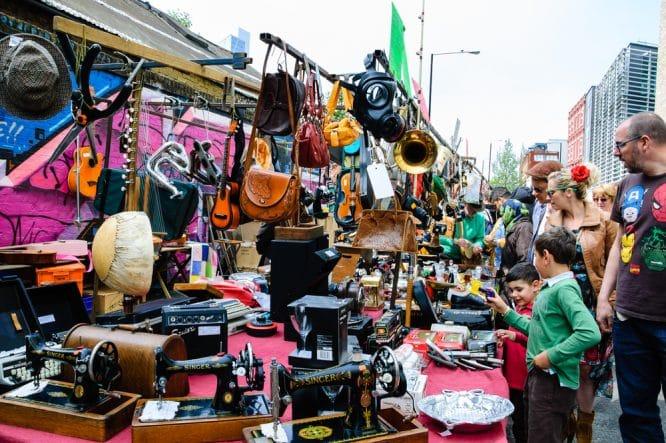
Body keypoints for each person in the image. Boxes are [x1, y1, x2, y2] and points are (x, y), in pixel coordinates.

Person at [487, 227, 601, 443]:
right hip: (541, 377)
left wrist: (549, 357)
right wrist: (505, 311)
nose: (535, 261)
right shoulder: (552, 288)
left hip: (551, 379)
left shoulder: (564, 289)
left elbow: (589, 333)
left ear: (546, 257)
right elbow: (539, 330)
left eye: (536, 256)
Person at [596, 112, 666, 443]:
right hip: (629, 318)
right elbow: (620, 245)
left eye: (620, 145)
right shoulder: (627, 185)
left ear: (645, 142)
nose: (615, 152)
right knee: (637, 413)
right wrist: (604, 297)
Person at [544, 163, 617, 443]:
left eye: (553, 192)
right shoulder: (553, 220)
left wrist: (608, 303)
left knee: (586, 369)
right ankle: (568, 420)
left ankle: (584, 429)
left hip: (590, 304)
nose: (549, 198)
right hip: (560, 303)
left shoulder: (604, 220)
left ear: (568, 192)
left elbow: (615, 264)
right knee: (563, 363)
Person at [495, 262, 541, 443]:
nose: (514, 295)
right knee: (517, 421)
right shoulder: (519, 308)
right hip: (513, 378)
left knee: (524, 424)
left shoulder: (536, 310)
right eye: (511, 290)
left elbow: (537, 339)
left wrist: (514, 336)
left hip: (525, 379)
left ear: (535, 286)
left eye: (519, 290)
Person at [525, 160, 564, 263]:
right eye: (533, 188)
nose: (534, 193)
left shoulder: (569, 215)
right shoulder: (538, 207)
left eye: (538, 189)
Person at [500, 199, 533, 272]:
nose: (502, 217)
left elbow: (524, 257)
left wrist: (515, 276)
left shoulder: (524, 227)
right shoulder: (514, 226)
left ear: (510, 212)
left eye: (503, 213)